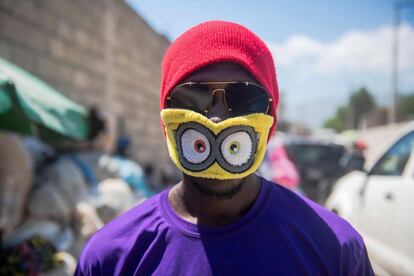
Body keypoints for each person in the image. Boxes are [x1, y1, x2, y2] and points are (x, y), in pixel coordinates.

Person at [75, 21, 374, 275]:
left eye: (244, 98)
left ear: (271, 120)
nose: (217, 118)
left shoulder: (336, 250)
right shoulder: (109, 258)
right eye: (193, 98)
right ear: (166, 118)